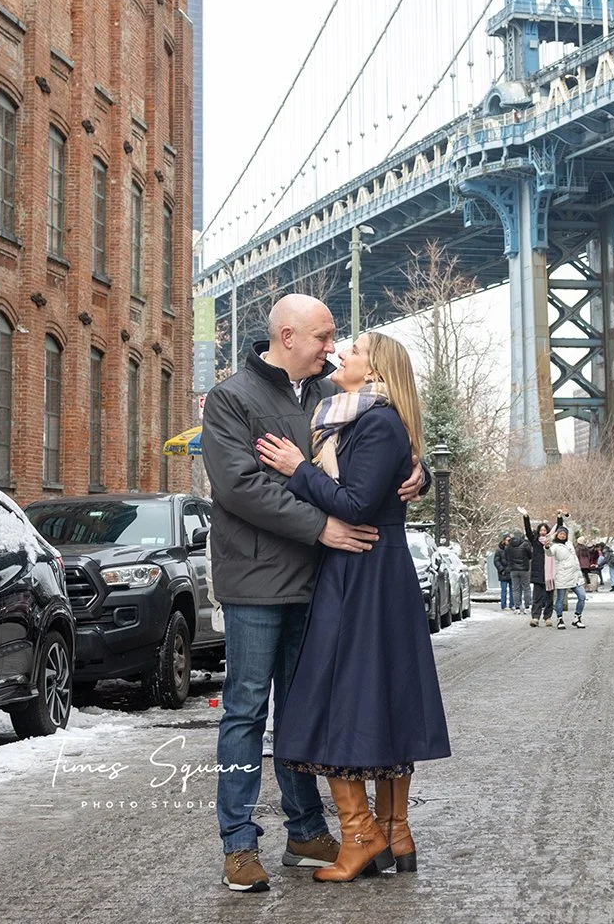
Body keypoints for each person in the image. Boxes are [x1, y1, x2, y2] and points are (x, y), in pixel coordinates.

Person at [203, 294, 425, 893]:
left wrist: (415, 472)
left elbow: (376, 448)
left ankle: (305, 830)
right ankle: (240, 843)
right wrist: (320, 525)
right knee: (247, 708)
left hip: (326, 578)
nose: (334, 348)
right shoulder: (232, 398)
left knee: (309, 709)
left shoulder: (333, 395)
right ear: (286, 334)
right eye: (324, 337)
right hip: (258, 577)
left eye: (336, 341)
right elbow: (240, 487)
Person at [258, 330, 451, 883]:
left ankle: (363, 835)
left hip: (362, 569)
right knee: (377, 697)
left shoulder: (374, 420)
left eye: (356, 350)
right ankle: (392, 833)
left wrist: (298, 468)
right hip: (367, 571)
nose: (341, 351)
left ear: (377, 373)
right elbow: (376, 479)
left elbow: (358, 504)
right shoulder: (347, 415)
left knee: (340, 701)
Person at [520, 509, 561, 627]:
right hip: (538, 571)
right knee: (537, 597)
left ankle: (547, 617)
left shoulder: (552, 541)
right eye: (541, 530)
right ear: (538, 531)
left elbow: (559, 529)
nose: (543, 532)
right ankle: (535, 617)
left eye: (545, 530)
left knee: (549, 597)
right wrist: (526, 517)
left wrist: (559, 516)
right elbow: (528, 531)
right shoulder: (535, 541)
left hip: (550, 574)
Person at [543, 520, 586, 629]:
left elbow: (572, 526)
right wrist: (546, 547)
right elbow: (549, 553)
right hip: (562, 575)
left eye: (564, 534)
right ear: (557, 535)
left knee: (582, 596)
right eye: (560, 534)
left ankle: (577, 617)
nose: (562, 536)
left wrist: (566, 516)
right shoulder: (555, 546)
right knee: (560, 599)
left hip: (575, 575)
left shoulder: (570, 543)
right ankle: (560, 619)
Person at [505, 528, 533, 613]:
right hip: (524, 569)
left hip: (513, 569)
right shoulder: (525, 544)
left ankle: (517, 607)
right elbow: (530, 555)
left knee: (515, 589)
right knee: (526, 588)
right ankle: (527, 606)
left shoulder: (509, 545)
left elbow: (506, 556)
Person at [493, 537, 512, 610]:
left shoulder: (513, 549)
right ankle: (503, 605)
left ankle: (512, 604)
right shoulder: (499, 550)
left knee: (512, 590)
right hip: (503, 573)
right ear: (504, 541)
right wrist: (501, 570)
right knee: (504, 590)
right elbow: (496, 561)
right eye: (507, 540)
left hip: (511, 572)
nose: (509, 542)